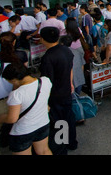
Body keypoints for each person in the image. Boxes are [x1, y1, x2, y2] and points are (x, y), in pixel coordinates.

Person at [0, 62, 52, 155]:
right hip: (43, 123)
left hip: (23, 131)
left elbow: (12, 118)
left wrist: (0, 118)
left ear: (14, 80)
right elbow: (46, 102)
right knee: (44, 151)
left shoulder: (17, 94)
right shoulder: (45, 81)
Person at [39, 26, 77, 154]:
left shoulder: (48, 57)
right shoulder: (66, 50)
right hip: (66, 89)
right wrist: (70, 83)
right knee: (68, 116)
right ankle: (72, 142)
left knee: (58, 120)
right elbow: (71, 68)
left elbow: (47, 81)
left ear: (42, 39)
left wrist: (45, 99)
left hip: (55, 94)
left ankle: (62, 147)